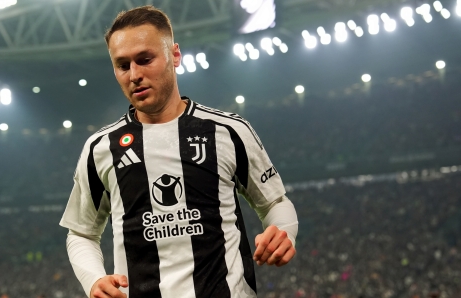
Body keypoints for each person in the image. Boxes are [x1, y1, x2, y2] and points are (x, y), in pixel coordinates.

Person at [59, 5, 298, 298]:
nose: (134, 74)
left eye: (145, 59)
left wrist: (283, 231)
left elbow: (275, 203)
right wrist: (94, 279)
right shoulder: (101, 148)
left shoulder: (229, 131)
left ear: (174, 55)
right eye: (123, 65)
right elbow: (81, 232)